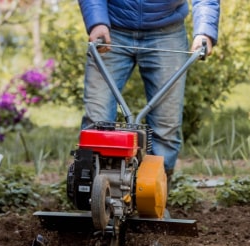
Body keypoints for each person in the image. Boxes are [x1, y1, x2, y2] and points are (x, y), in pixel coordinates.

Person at [78, 0, 220, 186]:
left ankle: (155, 192)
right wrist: (97, 22)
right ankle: (92, 190)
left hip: (167, 30)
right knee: (97, 120)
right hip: (111, 28)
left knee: (165, 125)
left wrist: (204, 31)